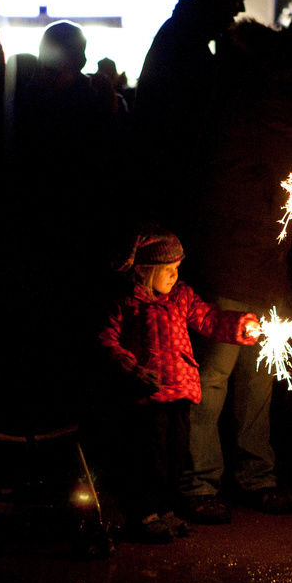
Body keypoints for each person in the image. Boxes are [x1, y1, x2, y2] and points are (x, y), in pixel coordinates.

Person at [174, 0, 292, 523]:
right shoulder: (269, 88)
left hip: (262, 248)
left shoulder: (274, 82)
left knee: (260, 367)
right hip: (236, 246)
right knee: (218, 368)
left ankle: (253, 474)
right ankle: (198, 481)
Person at [98, 226, 260, 544]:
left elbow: (209, 318)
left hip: (181, 393)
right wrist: (131, 369)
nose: (175, 275)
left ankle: (167, 510)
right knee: (149, 459)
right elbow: (106, 340)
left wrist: (241, 325)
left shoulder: (182, 296)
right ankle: (143, 515)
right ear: (144, 270)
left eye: (177, 269)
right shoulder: (127, 304)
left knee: (175, 458)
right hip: (147, 399)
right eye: (168, 270)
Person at [132, 0, 249, 229]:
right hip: (174, 192)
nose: (241, 9)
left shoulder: (185, 36)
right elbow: (191, 126)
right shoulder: (187, 44)